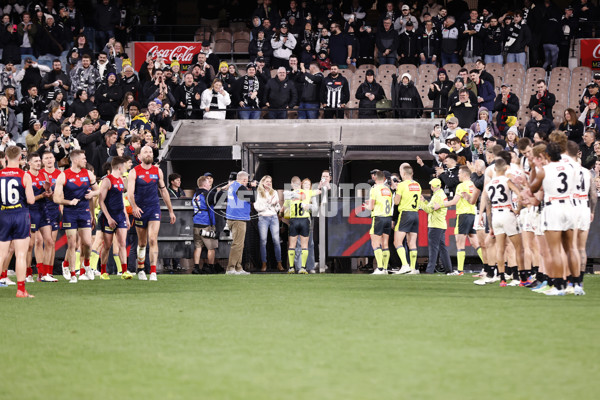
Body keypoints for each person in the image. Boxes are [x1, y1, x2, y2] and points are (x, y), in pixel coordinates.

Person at [527, 142, 582, 295]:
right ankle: (576, 283)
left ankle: (559, 286)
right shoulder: (571, 167)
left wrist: (532, 170)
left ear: (547, 155)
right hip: (570, 206)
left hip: (553, 208)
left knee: (555, 250)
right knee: (571, 248)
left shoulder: (544, 170)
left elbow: (533, 189)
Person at [127, 146, 176, 281]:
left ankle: (153, 271)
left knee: (153, 239)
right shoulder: (134, 172)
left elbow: (164, 191)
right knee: (142, 243)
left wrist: (171, 211)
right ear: (139, 156)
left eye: (150, 152)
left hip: (154, 208)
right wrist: (134, 207)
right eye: (145, 152)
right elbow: (130, 193)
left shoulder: (158, 171)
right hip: (140, 210)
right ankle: (141, 268)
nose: (148, 154)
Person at [54, 150, 100, 283]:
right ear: (75, 160)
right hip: (70, 213)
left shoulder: (88, 174)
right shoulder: (64, 175)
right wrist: (69, 202)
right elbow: (56, 198)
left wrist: (92, 194)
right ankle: (72, 273)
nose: (86, 160)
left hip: (84, 211)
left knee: (87, 242)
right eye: (83, 159)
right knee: (72, 244)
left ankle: (86, 265)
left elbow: (98, 190)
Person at [481, 158, 525, 287]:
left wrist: (490, 226)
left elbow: (488, 208)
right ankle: (520, 278)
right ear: (506, 169)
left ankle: (502, 279)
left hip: (496, 215)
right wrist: (517, 209)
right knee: (518, 247)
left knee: (500, 248)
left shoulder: (488, 185)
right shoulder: (507, 180)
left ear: (494, 169)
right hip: (507, 212)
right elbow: (519, 194)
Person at [0, 146, 35, 297]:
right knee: (20, 254)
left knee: (1, 254)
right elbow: (31, 200)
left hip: (3, 214)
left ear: (6, 158)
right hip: (20, 214)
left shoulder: (0, 174)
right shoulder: (25, 175)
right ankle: (21, 290)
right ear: (20, 158)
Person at [440, 166, 484, 275]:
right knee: (475, 243)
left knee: (460, 243)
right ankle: (488, 266)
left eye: (459, 174)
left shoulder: (461, 186)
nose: (458, 175)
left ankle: (460, 270)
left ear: (464, 175)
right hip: (472, 214)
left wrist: (440, 205)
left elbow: (454, 202)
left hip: (463, 215)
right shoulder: (474, 184)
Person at [98, 156, 133, 280]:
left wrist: (126, 218)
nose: (125, 169)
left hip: (120, 216)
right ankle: (103, 271)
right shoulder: (107, 180)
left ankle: (124, 271)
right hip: (109, 216)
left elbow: (121, 200)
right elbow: (100, 201)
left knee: (122, 243)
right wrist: (108, 218)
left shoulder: (121, 180)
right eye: (124, 166)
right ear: (119, 167)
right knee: (107, 245)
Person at [225, 171, 256, 275]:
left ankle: (238, 267)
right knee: (237, 244)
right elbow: (253, 198)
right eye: (247, 180)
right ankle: (231, 268)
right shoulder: (240, 187)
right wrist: (254, 188)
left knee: (240, 244)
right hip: (238, 218)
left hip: (233, 217)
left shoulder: (232, 185)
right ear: (244, 180)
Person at [393, 164, 421, 274]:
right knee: (412, 243)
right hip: (415, 214)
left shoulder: (402, 185)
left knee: (397, 241)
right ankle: (413, 268)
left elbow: (396, 202)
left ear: (403, 174)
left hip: (405, 213)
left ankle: (405, 265)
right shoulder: (417, 185)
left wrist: (396, 190)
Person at [420, 178, 452, 274]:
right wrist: (425, 201)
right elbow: (430, 207)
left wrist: (420, 202)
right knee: (442, 248)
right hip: (441, 224)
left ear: (432, 186)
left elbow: (429, 210)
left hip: (435, 225)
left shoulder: (436, 196)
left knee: (433, 248)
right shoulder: (441, 194)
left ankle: (430, 270)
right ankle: (448, 269)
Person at [364, 170, 393, 274]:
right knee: (385, 244)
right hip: (388, 218)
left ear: (375, 178)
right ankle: (385, 268)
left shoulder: (374, 189)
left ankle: (380, 268)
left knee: (375, 243)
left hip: (378, 218)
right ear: (384, 178)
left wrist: (367, 206)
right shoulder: (388, 189)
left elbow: (371, 207)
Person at [284, 176, 313, 274]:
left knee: (292, 245)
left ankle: (291, 267)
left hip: (294, 220)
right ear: (300, 184)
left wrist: (281, 214)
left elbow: (283, 210)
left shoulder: (289, 195)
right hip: (304, 220)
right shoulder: (305, 193)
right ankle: (303, 268)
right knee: (304, 245)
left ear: (292, 184)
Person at [254, 175, 283, 272]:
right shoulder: (259, 192)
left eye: (270, 181)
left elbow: (278, 208)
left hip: (274, 217)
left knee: (276, 241)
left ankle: (279, 263)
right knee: (263, 241)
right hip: (263, 218)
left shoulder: (274, 192)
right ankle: (264, 264)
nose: (269, 183)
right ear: (263, 182)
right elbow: (257, 207)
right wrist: (268, 202)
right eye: (267, 181)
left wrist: (276, 204)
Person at [192, 175, 219, 275]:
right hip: (206, 224)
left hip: (196, 224)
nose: (210, 184)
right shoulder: (207, 194)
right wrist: (223, 189)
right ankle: (210, 267)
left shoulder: (195, 195)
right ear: (204, 184)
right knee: (211, 247)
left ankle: (196, 267)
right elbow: (217, 198)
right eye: (208, 182)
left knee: (198, 247)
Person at [40, 151, 61, 281]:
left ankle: (48, 272)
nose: (48, 160)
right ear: (42, 161)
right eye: (46, 158)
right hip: (40, 209)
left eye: (50, 157)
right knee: (37, 242)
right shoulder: (40, 173)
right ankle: (34, 272)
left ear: (54, 159)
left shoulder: (60, 174)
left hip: (54, 210)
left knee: (51, 243)